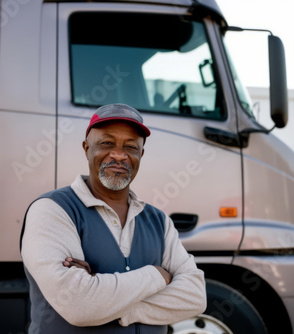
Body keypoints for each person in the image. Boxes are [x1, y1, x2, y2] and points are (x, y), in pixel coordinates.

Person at [20, 104, 206, 333]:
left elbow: (196, 297)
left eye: (130, 147)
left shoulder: (158, 221)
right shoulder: (53, 210)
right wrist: (157, 275)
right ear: (86, 149)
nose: (119, 155)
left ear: (141, 155)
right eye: (107, 143)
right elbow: (79, 305)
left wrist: (114, 305)